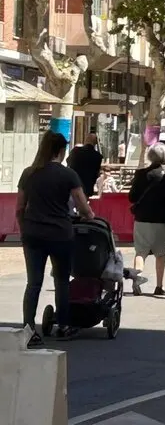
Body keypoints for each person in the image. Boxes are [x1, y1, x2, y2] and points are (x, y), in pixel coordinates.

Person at [17, 131, 96, 347]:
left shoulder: (28, 173)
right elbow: (82, 206)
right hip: (61, 233)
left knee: (33, 282)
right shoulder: (68, 175)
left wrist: (24, 228)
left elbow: (19, 207)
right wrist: (90, 216)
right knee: (61, 280)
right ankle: (62, 325)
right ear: (60, 151)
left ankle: (29, 328)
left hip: (33, 233)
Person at [128, 143, 165, 296]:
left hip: (141, 217)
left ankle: (137, 279)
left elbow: (132, 197)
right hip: (161, 218)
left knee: (141, 251)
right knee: (160, 254)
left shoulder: (140, 174)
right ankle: (159, 286)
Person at [67, 132, 103, 198]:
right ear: (95, 143)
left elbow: (68, 163)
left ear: (85, 140)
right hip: (87, 188)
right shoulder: (98, 156)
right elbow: (96, 173)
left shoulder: (75, 151)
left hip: (73, 186)